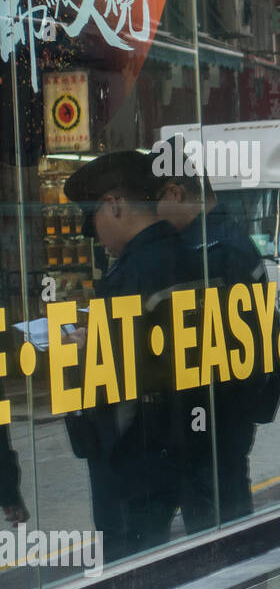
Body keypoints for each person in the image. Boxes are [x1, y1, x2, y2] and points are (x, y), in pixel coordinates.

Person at [62, 152, 192, 562]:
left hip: (134, 465)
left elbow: (121, 384)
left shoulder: (130, 276)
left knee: (130, 572)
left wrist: (86, 351)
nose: (96, 237)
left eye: (95, 221)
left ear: (114, 205)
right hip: (181, 450)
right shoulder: (188, 253)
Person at [155, 138, 280, 530]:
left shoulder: (209, 249)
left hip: (214, 408)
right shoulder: (232, 238)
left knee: (215, 508)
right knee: (225, 494)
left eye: (154, 201)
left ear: (176, 192)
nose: (153, 213)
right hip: (230, 409)